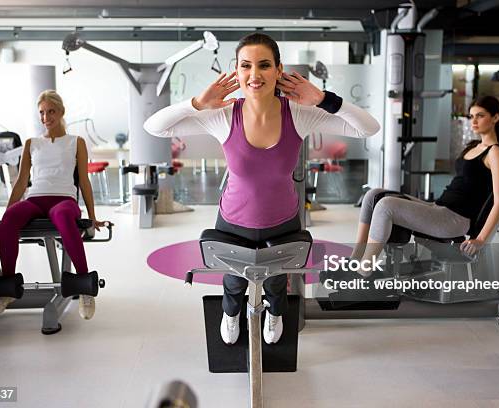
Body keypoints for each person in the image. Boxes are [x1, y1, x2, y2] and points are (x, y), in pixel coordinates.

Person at [144, 33, 380, 345]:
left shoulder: (298, 113)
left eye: (264, 65)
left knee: (276, 282)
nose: (255, 75)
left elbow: (369, 127)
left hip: (282, 220)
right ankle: (231, 313)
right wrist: (197, 103)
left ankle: (275, 313)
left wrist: (324, 99)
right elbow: (154, 127)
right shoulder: (223, 114)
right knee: (233, 281)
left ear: (278, 70)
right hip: (232, 220)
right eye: (246, 66)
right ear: (237, 72)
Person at [352, 96, 499, 274]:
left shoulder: (495, 152)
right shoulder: (473, 146)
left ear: (496, 117)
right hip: (439, 208)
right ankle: (355, 259)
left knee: (386, 206)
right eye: (471, 116)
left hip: (454, 219)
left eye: (480, 116)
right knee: (374, 194)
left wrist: (480, 240)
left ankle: (364, 272)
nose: (474, 121)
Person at [0, 90, 106, 319]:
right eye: (42, 112)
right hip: (35, 199)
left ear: (61, 112)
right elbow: (22, 182)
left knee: (62, 216)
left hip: (64, 200)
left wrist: (92, 216)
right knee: (11, 218)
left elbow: (83, 180)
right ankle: (6, 290)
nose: (46, 117)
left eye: (51, 111)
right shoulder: (32, 143)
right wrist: (6, 214)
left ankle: (84, 290)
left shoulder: (76, 142)